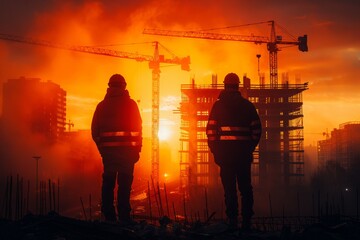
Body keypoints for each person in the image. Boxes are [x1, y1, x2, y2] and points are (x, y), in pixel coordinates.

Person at [206, 73, 262, 231]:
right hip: (243, 158)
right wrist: (248, 148)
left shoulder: (218, 107)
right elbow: (257, 131)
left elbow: (210, 132)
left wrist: (217, 152)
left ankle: (232, 221)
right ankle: (246, 222)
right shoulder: (248, 106)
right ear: (238, 86)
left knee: (229, 190)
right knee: (245, 189)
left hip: (226, 159)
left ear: (225, 86)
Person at [91, 74, 142, 224]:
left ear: (109, 86)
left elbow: (95, 132)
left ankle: (109, 216)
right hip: (127, 155)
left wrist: (103, 150)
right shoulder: (131, 105)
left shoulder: (101, 106)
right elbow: (138, 129)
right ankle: (124, 217)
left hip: (109, 156)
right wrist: (136, 150)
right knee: (124, 187)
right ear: (124, 86)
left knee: (108, 184)